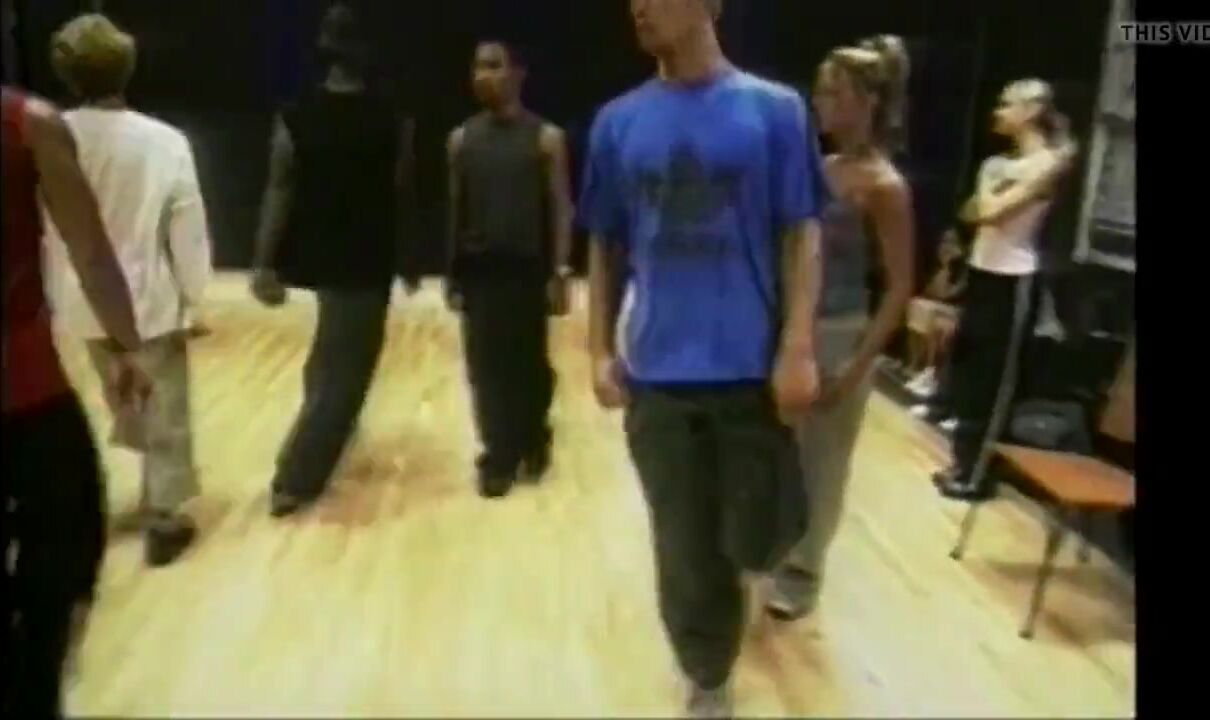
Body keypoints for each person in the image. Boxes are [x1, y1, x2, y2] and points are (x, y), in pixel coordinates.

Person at [580, 0, 826, 714]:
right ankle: (708, 674)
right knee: (684, 548)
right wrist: (598, 348)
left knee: (760, 535)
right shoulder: (617, 122)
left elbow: (802, 233)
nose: (639, 7)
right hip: (659, 376)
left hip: (750, 371)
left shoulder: (775, 111)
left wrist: (798, 346)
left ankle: (747, 576)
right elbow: (605, 243)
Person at [42, 13, 212, 567]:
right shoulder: (164, 142)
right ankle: (164, 514)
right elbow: (186, 225)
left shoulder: (47, 136)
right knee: (165, 404)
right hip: (149, 300)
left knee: (121, 393)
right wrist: (195, 295)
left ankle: (144, 490)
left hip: (82, 301)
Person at [3, 85, 148, 717]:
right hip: (23, 394)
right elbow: (89, 251)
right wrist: (125, 346)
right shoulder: (28, 124)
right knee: (66, 555)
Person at [764, 37, 916, 622]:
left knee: (822, 463)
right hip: (792, 323)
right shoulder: (821, 168)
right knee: (778, 451)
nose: (819, 101)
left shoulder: (884, 185)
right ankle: (772, 549)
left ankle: (803, 573)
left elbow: (900, 285)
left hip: (840, 331)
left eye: (832, 92)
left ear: (867, 101)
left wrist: (856, 365)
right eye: (820, 90)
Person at [251, 3, 414, 517]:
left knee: (329, 355)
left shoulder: (296, 114)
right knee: (347, 371)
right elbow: (400, 193)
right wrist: (408, 254)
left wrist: (264, 261)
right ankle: (295, 476)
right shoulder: (392, 118)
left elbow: (279, 188)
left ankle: (325, 438)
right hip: (365, 258)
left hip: (318, 253)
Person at [933, 79, 1077, 501]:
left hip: (1013, 281)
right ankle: (961, 463)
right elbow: (972, 213)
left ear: (1031, 109)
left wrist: (992, 186)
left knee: (994, 380)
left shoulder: (1050, 162)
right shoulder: (999, 164)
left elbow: (991, 211)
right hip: (982, 273)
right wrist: (994, 185)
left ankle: (977, 475)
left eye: (1006, 104)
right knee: (969, 371)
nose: (997, 112)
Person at [446, 39, 573, 498]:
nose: (483, 75)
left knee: (528, 365)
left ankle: (533, 438)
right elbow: (456, 209)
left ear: (518, 74)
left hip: (527, 272)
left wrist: (560, 271)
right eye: (478, 67)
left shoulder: (546, 138)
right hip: (480, 272)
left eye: (494, 66)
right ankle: (497, 455)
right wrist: (452, 273)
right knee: (484, 367)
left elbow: (561, 208)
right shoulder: (461, 140)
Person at [904, 228, 965, 399]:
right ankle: (914, 364)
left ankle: (929, 371)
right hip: (942, 306)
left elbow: (949, 294)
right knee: (916, 304)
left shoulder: (963, 269)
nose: (947, 246)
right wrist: (943, 266)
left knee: (933, 315)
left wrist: (947, 267)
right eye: (944, 241)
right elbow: (931, 292)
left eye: (952, 242)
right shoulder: (936, 263)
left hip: (958, 309)